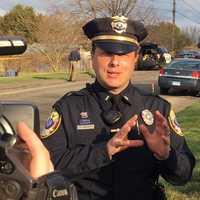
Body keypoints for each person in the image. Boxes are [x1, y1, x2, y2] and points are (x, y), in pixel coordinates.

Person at [41, 15, 196, 200]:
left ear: (135, 58)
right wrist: (103, 151)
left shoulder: (157, 109)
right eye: (106, 53)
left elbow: (183, 176)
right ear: (92, 56)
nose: (115, 62)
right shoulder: (68, 108)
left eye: (123, 54)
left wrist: (166, 156)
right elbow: (46, 168)